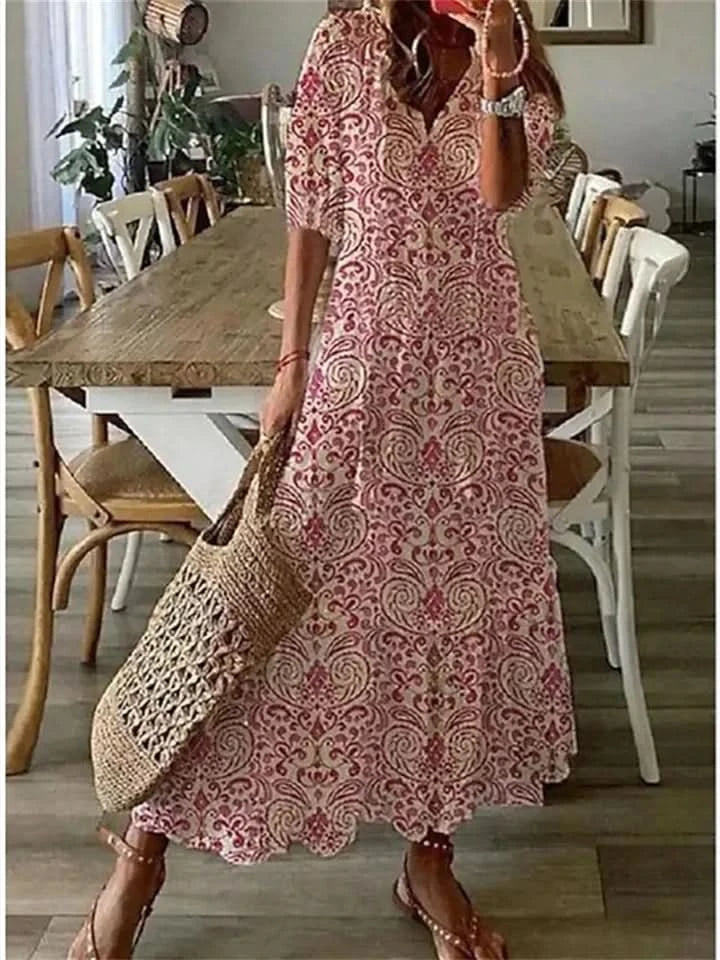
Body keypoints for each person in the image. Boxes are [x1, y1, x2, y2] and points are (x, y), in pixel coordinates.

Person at [69, 1, 575, 957]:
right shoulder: (344, 44)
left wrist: (501, 71)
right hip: (360, 362)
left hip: (479, 382)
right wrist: (292, 362)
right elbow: (309, 216)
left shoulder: (514, 53)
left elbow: (498, 195)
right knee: (262, 612)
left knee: (448, 624)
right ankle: (142, 848)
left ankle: (429, 859)